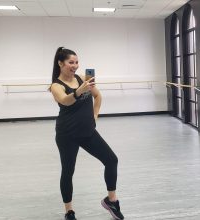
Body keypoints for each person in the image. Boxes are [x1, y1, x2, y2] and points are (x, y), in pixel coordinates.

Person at [50, 47, 124, 220]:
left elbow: (98, 97)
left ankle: (111, 201)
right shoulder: (56, 85)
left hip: (87, 131)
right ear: (60, 63)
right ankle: (69, 211)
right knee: (68, 171)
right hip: (67, 134)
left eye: (76, 62)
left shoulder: (83, 78)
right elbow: (65, 101)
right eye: (71, 62)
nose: (75, 66)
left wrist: (95, 116)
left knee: (111, 160)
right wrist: (79, 91)